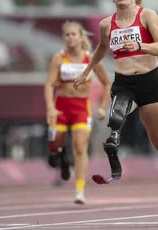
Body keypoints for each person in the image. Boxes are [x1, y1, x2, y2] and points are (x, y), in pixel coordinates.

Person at [73, 0, 158, 182]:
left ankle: (120, 130)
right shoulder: (106, 25)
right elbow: (101, 48)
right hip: (124, 83)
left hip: (150, 82)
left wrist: (140, 46)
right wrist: (86, 71)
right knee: (115, 119)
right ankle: (113, 148)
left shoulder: (148, 16)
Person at [45, 20, 112, 204]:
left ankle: (79, 191)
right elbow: (50, 83)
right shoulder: (59, 58)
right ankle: (62, 158)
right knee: (54, 146)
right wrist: (50, 107)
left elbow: (107, 83)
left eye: (74, 34)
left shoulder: (91, 58)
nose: (70, 38)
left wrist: (102, 107)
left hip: (81, 107)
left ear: (81, 37)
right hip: (60, 107)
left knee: (81, 147)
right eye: (67, 35)